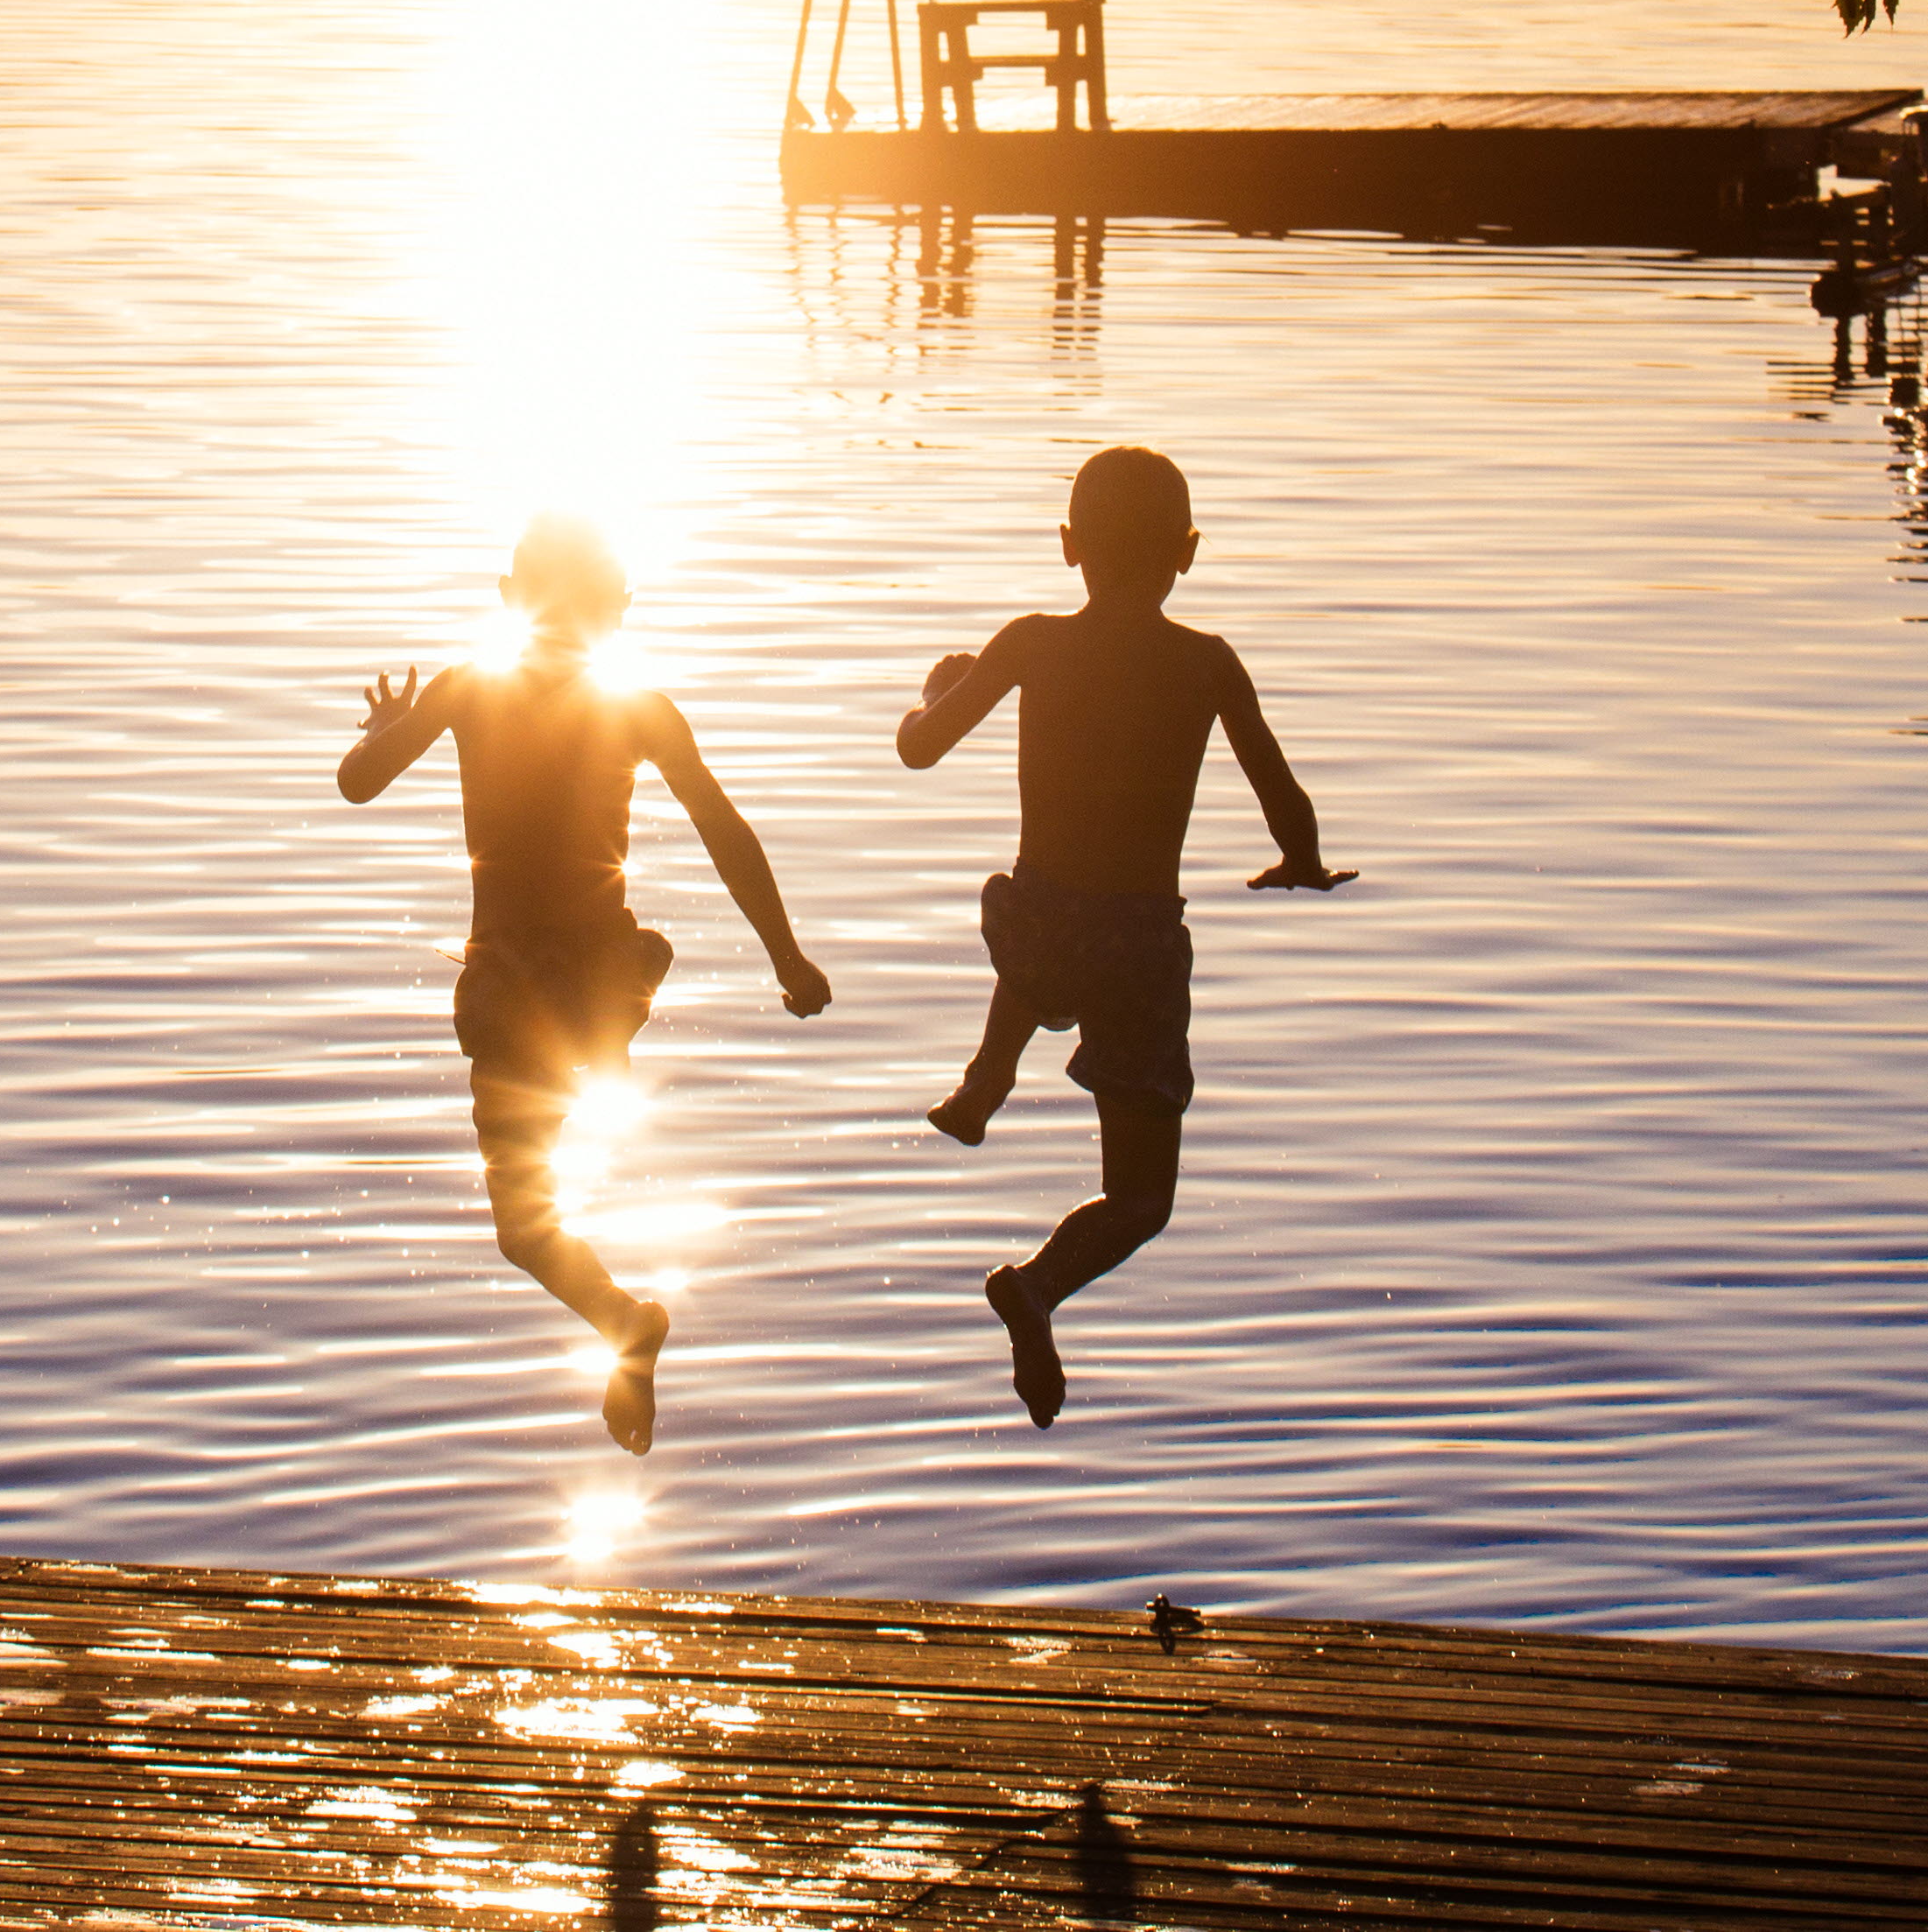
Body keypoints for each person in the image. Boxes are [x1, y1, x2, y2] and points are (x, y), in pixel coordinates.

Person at [342, 514, 831, 1453]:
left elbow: (356, 782)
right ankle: (625, 1319)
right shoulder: (640, 708)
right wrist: (785, 955)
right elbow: (725, 831)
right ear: (621, 610)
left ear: (506, 597)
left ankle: (622, 1316)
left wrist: (390, 725)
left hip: (513, 992)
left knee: (524, 1230)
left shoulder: (463, 691)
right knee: (562, 1120)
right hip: (601, 981)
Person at [896, 443, 1347, 1426]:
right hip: (1137, 948)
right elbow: (1282, 793)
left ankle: (986, 1076)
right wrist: (1302, 862)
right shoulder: (1206, 663)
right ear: (1187, 551)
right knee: (1139, 1200)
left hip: (1037, 932)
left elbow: (918, 750)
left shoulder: (1025, 644)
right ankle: (1036, 1287)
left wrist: (935, 693)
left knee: (1044, 910)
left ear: (1067, 545)